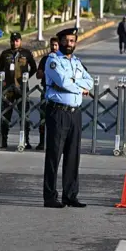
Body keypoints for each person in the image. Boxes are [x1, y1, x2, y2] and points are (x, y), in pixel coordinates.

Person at [43, 28, 93, 208]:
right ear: (60, 41)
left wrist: (77, 84)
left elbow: (90, 81)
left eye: (73, 41)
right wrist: (80, 87)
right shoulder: (53, 61)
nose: (70, 44)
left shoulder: (77, 62)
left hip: (75, 113)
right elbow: (62, 82)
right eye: (66, 41)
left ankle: (70, 195)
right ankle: (50, 196)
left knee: (73, 155)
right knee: (54, 155)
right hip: (58, 112)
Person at [0, 32, 37, 149]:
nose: (15, 43)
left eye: (17, 40)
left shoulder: (26, 53)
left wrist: (25, 78)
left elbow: (34, 68)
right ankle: (3, 140)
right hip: (8, 89)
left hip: (22, 88)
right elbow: (0, 70)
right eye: (13, 40)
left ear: (20, 41)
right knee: (5, 114)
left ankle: (25, 140)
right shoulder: (5, 54)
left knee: (24, 114)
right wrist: (4, 80)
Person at [35, 37, 59, 151]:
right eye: (52, 45)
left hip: (59, 93)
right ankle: (41, 142)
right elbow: (38, 74)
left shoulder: (63, 59)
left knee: (58, 119)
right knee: (43, 117)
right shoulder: (46, 59)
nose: (54, 47)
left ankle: (56, 143)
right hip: (47, 90)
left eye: (56, 45)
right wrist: (48, 73)